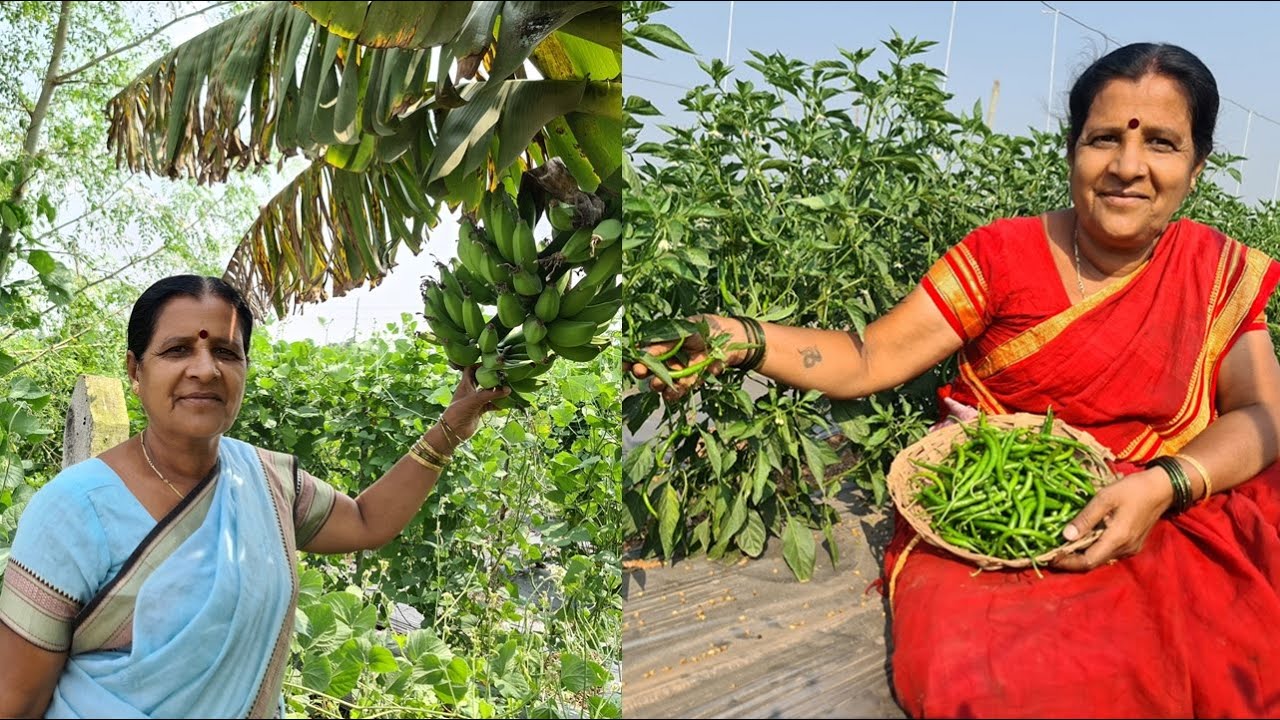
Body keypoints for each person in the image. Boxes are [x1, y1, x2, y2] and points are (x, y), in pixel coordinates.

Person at [629, 42, 1280, 718]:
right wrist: (740, 336)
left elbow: (1264, 416)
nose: (1127, 166)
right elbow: (867, 358)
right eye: (1104, 138)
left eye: (1163, 144)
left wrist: (1162, 484)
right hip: (1000, 529)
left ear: (1197, 168)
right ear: (1071, 150)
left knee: (1232, 640)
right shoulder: (1004, 255)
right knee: (1002, 678)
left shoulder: (1214, 273)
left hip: (1162, 503)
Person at [0, 275, 510, 718]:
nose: (205, 370)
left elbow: (366, 521)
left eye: (225, 352)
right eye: (178, 350)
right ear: (136, 370)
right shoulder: (71, 510)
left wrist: (452, 427)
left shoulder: (265, 482)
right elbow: (15, 702)